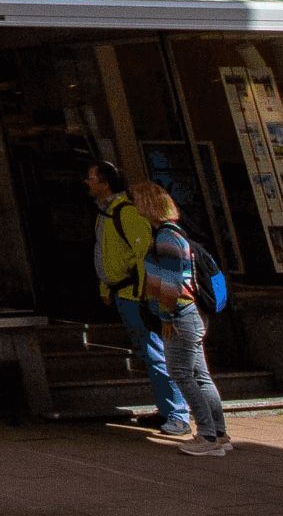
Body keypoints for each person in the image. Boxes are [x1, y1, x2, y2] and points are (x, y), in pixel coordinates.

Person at [88, 160, 190, 435]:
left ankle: (178, 416)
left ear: (105, 182)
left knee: (156, 354)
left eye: (91, 177)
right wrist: (106, 288)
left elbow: (146, 256)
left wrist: (149, 298)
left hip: (136, 296)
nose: (87, 182)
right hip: (123, 293)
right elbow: (106, 254)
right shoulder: (105, 213)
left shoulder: (125, 212)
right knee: (148, 353)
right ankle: (167, 409)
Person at [137, 182, 231, 456]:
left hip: (180, 315)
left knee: (182, 374)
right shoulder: (175, 234)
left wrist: (166, 315)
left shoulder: (165, 238)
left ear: (149, 206)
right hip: (189, 314)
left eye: (139, 201)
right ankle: (219, 433)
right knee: (201, 376)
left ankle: (208, 437)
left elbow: (172, 283)